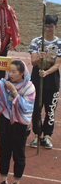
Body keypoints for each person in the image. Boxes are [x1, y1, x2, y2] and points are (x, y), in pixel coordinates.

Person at [0, 60, 35, 184]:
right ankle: (3, 181)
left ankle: (17, 183)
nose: (11, 74)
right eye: (10, 71)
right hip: (4, 122)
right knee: (4, 153)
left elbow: (26, 107)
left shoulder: (29, 88)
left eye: (14, 72)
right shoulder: (5, 82)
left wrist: (14, 92)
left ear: (22, 73)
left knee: (19, 155)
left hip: (19, 125)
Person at [28, 14, 60, 149]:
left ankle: (47, 135)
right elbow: (33, 62)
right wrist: (39, 59)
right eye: (45, 26)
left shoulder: (59, 44)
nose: (47, 29)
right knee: (36, 109)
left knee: (50, 109)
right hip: (37, 79)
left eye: (50, 27)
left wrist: (46, 72)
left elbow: (57, 64)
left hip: (52, 79)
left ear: (55, 27)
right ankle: (36, 134)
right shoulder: (36, 41)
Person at [0, 0, 20, 81]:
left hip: (5, 39)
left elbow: (14, 24)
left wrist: (12, 41)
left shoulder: (9, 9)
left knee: (2, 63)